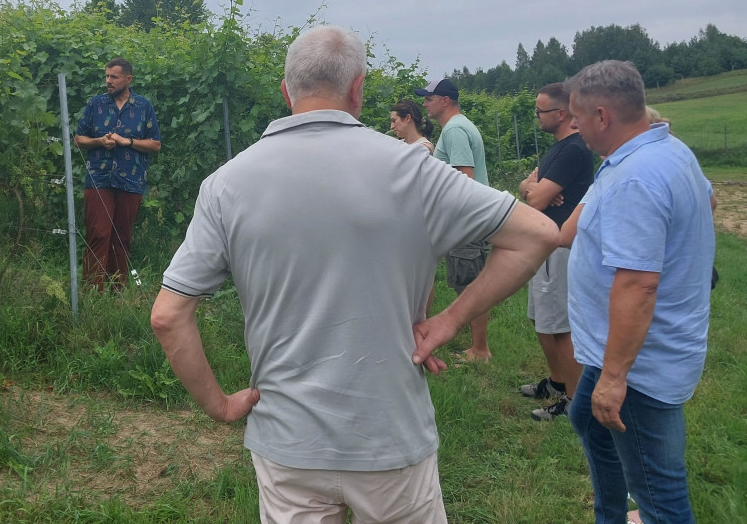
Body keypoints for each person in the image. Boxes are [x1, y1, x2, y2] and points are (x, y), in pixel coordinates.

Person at [151, 26, 558, 524]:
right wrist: (447, 323)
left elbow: (169, 316)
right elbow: (537, 233)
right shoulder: (413, 169)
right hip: (390, 439)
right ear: (358, 89)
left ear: (287, 90)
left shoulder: (226, 184)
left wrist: (218, 405)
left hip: (287, 442)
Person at [564, 60, 715, 524]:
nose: (575, 126)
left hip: (638, 364)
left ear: (603, 116)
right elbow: (708, 200)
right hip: (624, 349)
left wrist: (614, 378)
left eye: (579, 117)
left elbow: (638, 283)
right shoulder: (668, 150)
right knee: (586, 421)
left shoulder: (636, 177)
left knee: (659, 490)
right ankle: (611, 515)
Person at [517, 82, 594, 421]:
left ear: (561, 113)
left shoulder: (574, 150)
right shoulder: (558, 148)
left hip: (562, 245)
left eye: (541, 111)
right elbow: (528, 187)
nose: (537, 117)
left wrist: (537, 191)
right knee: (543, 320)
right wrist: (538, 188)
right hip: (547, 243)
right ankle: (559, 382)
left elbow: (533, 198)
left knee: (559, 326)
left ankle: (575, 401)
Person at [414, 78, 494, 362]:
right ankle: (477, 345)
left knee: (471, 284)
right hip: (468, 217)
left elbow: (465, 177)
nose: (425, 104)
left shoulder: (455, 130)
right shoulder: (458, 126)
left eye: (428, 99)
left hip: (467, 219)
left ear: (444, 101)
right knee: (468, 282)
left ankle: (480, 349)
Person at [75, 57, 161, 291]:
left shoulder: (143, 107)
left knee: (122, 237)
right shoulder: (96, 104)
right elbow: (79, 139)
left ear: (128, 79)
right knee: (98, 233)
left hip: (131, 178)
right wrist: (99, 141)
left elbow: (155, 144)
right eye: (106, 76)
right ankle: (93, 291)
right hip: (99, 178)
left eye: (114, 77)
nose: (108, 81)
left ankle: (117, 289)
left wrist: (127, 141)